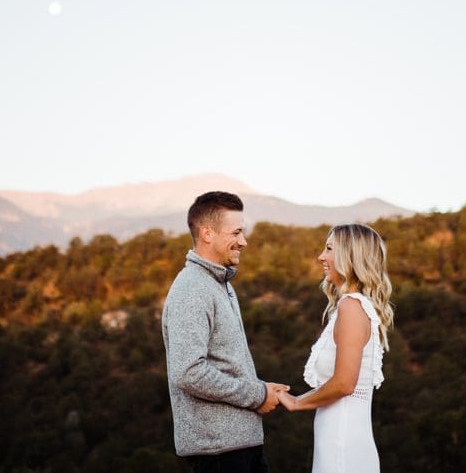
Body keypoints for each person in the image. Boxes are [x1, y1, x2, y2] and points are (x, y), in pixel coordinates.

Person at [162, 191, 290, 472]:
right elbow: (188, 372)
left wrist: (263, 390)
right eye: (236, 232)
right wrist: (257, 395)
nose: (243, 241)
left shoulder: (220, 284)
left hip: (237, 448)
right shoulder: (193, 289)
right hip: (219, 455)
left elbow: (225, 364)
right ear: (207, 234)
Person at [278, 224, 395, 473]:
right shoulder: (353, 306)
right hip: (339, 437)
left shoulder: (351, 307)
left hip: (342, 442)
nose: (321, 256)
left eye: (329, 249)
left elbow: (344, 383)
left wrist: (296, 402)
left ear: (350, 256)